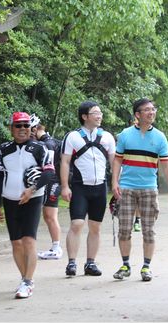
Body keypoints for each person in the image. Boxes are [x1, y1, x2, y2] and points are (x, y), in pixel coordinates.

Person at [111, 98, 168, 282]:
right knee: (124, 230)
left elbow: (166, 165)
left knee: (148, 230)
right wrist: (114, 182)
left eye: (153, 109)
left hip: (149, 189)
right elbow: (117, 160)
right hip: (126, 188)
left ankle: (146, 267)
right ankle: (125, 265)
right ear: (137, 115)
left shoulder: (160, 137)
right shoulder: (125, 135)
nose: (151, 112)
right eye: (147, 110)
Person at [0, 112, 54, 299]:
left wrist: (32, 189)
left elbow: (50, 173)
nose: (22, 129)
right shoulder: (4, 149)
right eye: (18, 126)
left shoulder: (40, 148)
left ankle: (27, 281)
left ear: (31, 128)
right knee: (16, 243)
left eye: (26, 126)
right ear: (11, 128)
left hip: (33, 198)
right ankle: (24, 278)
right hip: (10, 199)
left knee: (29, 240)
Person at [60, 101, 115, 277]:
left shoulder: (107, 137)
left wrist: (116, 184)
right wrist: (64, 186)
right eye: (95, 113)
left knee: (95, 227)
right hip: (79, 187)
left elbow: (115, 163)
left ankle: (90, 263)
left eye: (100, 113)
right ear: (85, 116)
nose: (99, 116)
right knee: (77, 224)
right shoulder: (72, 137)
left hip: (100, 187)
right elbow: (65, 162)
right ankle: (71, 263)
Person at [29, 115, 63, 260]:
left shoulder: (48, 144)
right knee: (48, 215)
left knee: (50, 215)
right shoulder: (51, 141)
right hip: (54, 181)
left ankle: (56, 248)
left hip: (53, 181)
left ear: (36, 129)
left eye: (30, 130)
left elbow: (48, 167)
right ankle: (55, 246)